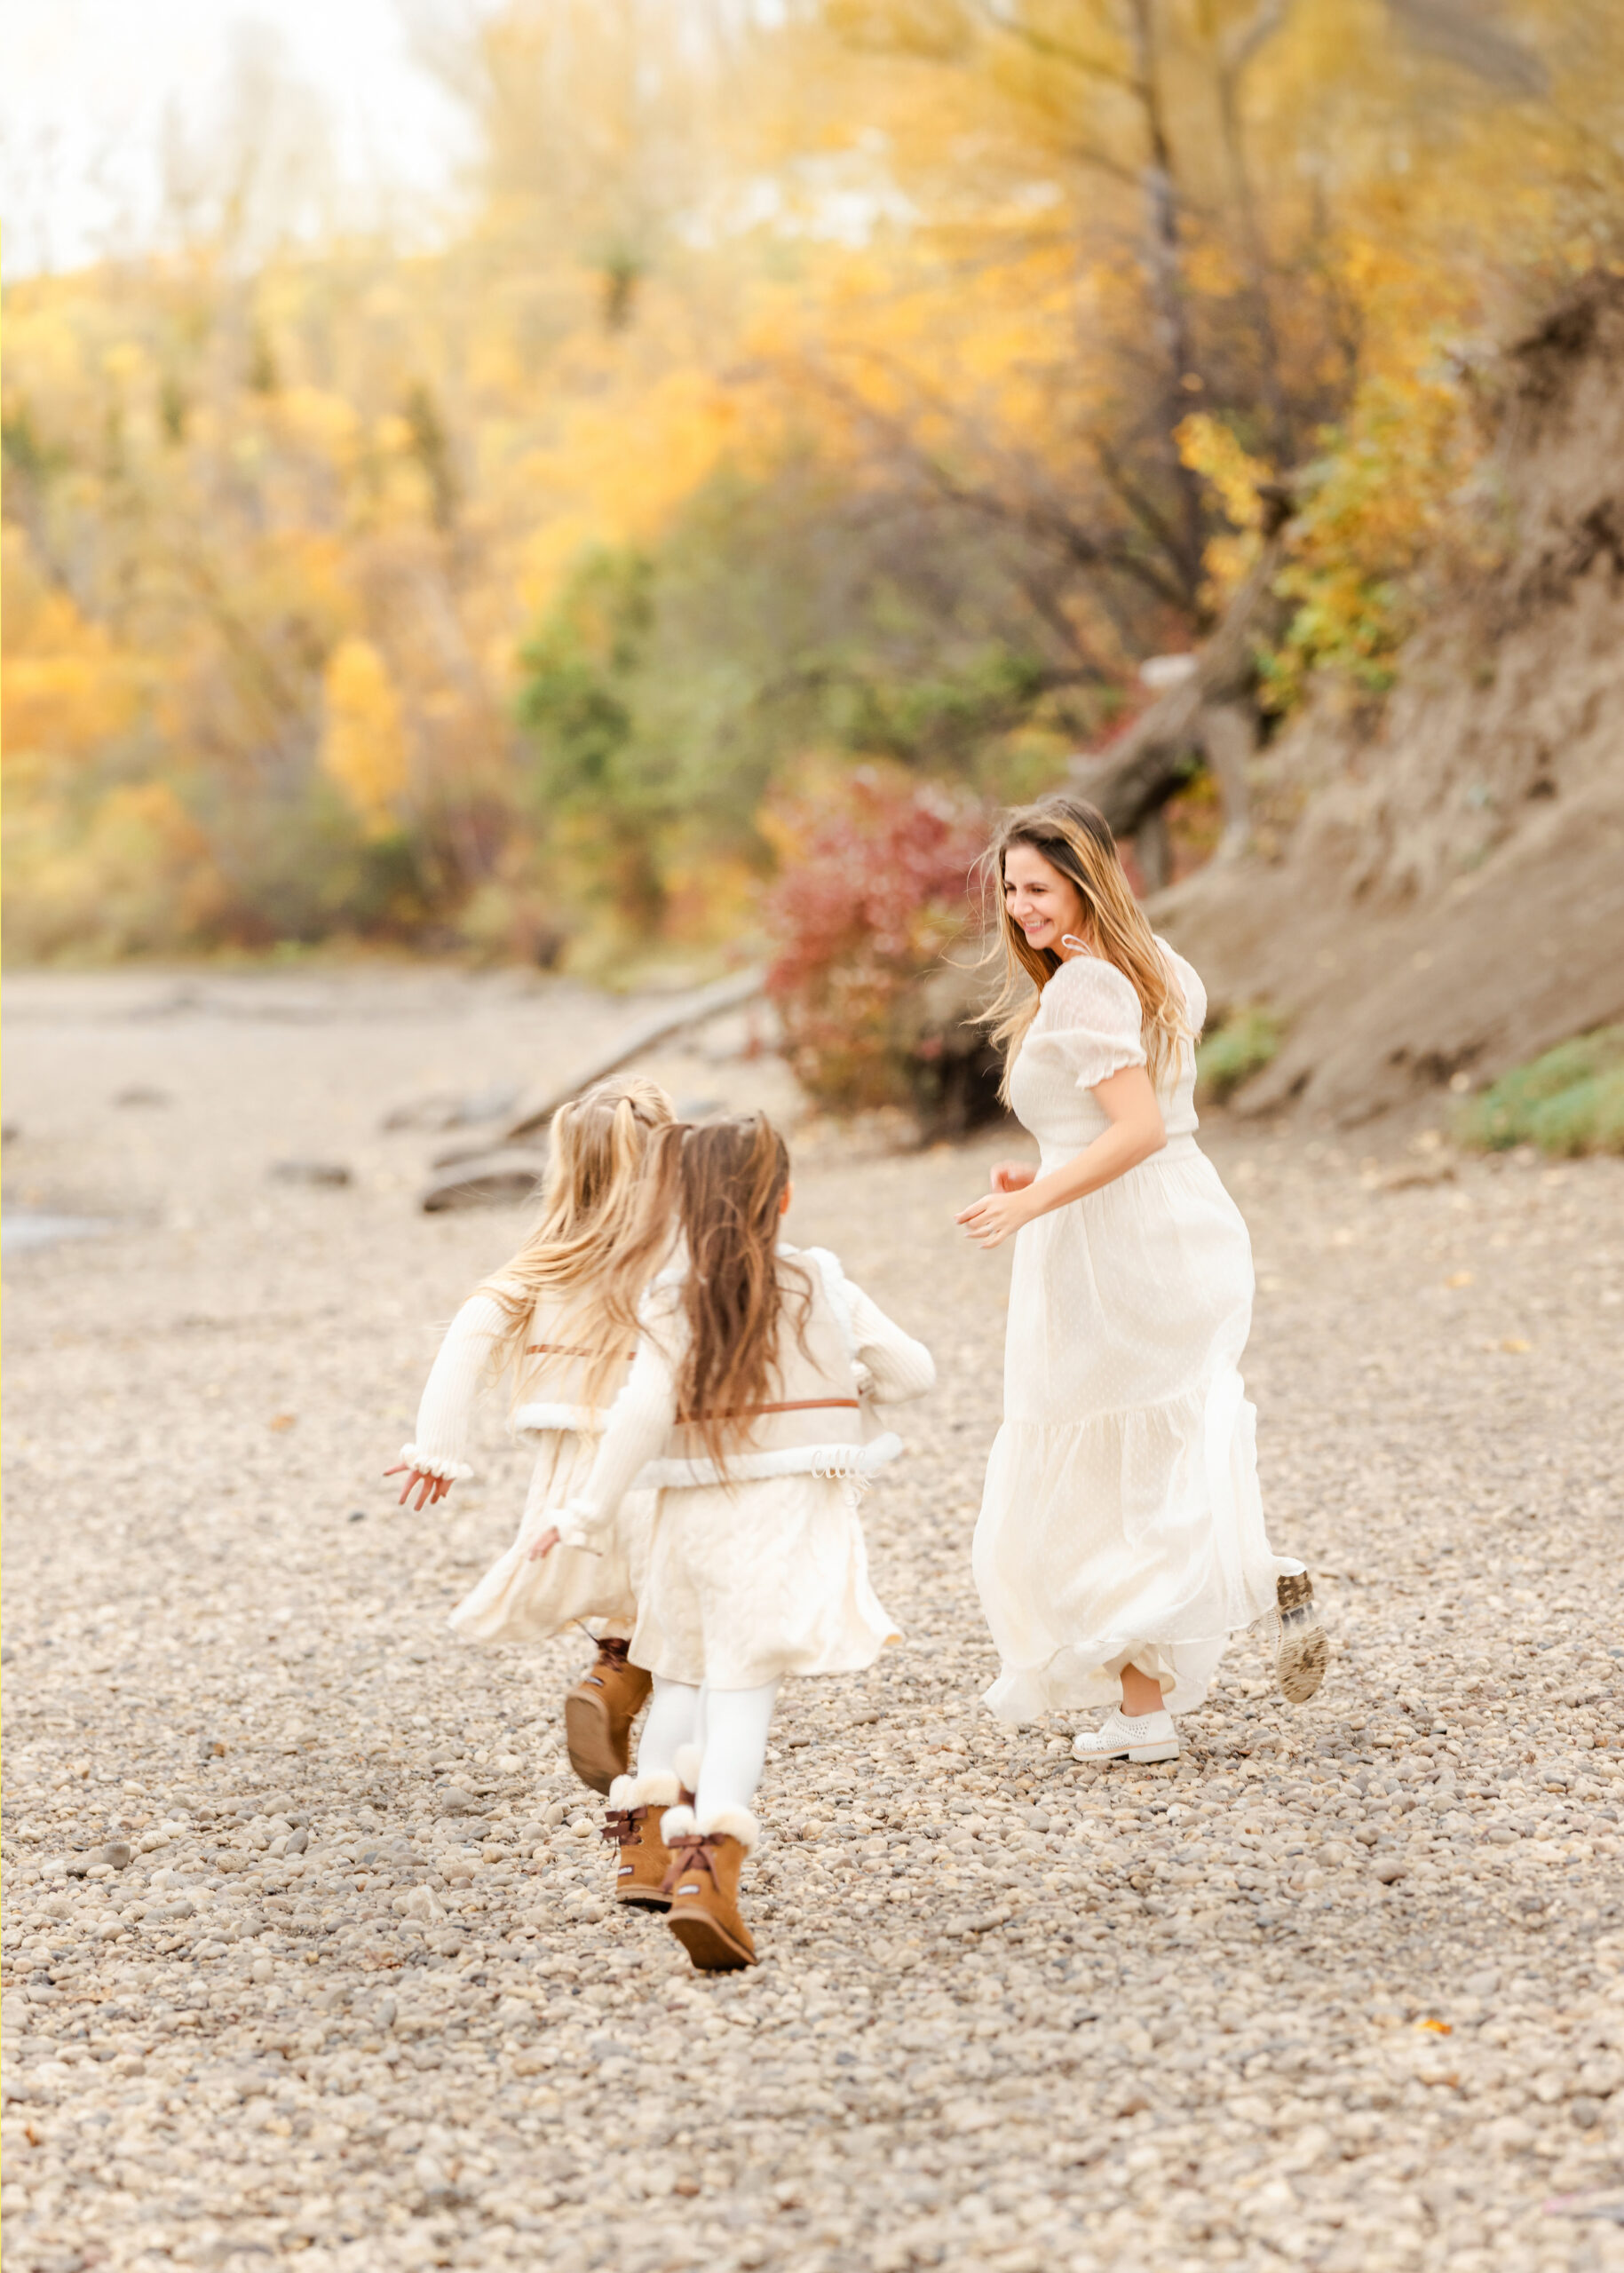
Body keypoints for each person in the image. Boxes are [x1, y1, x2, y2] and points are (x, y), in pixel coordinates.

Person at [955, 793, 1327, 1766]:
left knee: (1103, 1463)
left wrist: (1033, 1204)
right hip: (1170, 1221)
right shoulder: (1159, 967)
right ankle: (1203, 1632)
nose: (1018, 908)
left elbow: (1135, 1126)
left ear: (1086, 880)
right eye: (1008, 889)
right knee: (1137, 1448)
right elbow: (1122, 1125)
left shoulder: (1083, 987)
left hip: (1110, 1239)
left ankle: (1199, 1641)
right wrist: (1034, 1175)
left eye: (1035, 887)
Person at [535, 1113, 934, 1969]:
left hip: (687, 1525)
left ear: (678, 1206)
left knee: (679, 1677)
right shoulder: (819, 1282)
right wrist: (849, 1378)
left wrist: (588, 1512)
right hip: (779, 1523)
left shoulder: (668, 1295)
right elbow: (913, 1372)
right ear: (783, 1197)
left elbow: (642, 1414)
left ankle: (644, 1848)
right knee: (742, 1695)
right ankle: (705, 1872)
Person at [385, 1077, 675, 1794]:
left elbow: (470, 1334)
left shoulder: (544, 1261)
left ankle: (611, 1678)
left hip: (569, 1472)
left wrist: (439, 1449)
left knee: (622, 1601)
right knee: (679, 1616)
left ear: (566, 1170)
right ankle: (645, 1746)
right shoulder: (681, 1255)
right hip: (661, 1460)